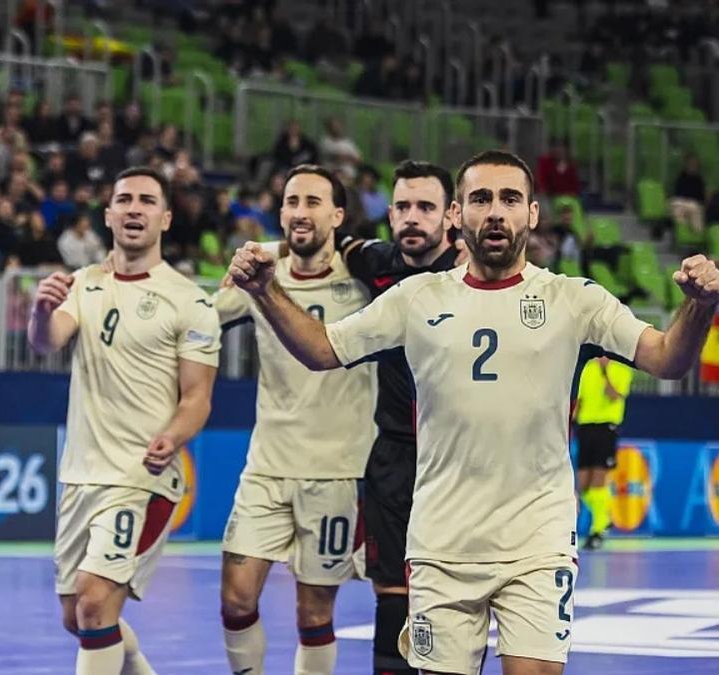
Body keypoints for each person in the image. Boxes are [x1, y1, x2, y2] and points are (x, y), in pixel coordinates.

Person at [227, 149, 719, 675]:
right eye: (480, 199)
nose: (495, 213)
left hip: (537, 539)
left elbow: (667, 359)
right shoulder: (414, 298)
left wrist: (700, 307)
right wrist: (266, 290)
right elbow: (323, 350)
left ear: (532, 213)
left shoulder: (576, 300)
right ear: (457, 215)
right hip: (442, 542)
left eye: (510, 199)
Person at [254, 159, 463, 675]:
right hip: (393, 453)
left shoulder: (470, 272)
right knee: (391, 594)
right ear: (390, 214)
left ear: (451, 216)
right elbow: (321, 244)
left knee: (458, 597)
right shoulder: (374, 261)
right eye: (404, 207)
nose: (414, 218)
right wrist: (267, 255)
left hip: (461, 456)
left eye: (426, 208)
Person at [28, 166, 220, 675]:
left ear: (166, 217)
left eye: (147, 201)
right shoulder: (82, 283)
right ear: (109, 215)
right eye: (125, 199)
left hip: (143, 477)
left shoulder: (190, 300)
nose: (135, 208)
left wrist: (173, 437)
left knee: (94, 602)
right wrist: (40, 311)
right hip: (81, 474)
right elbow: (47, 340)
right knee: (79, 617)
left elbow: (198, 397)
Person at [214, 165, 374, 675]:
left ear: (338, 214)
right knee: (236, 600)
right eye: (290, 202)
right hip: (266, 466)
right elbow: (199, 321)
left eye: (312, 202)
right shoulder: (260, 272)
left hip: (338, 472)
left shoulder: (365, 279)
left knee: (314, 611)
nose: (300, 212)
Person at [573, 355, 634, 550]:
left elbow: (614, 395)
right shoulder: (588, 367)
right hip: (585, 426)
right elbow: (580, 399)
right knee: (582, 483)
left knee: (599, 478)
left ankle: (598, 529)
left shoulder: (622, 368)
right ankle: (605, 517)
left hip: (606, 426)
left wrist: (605, 372)